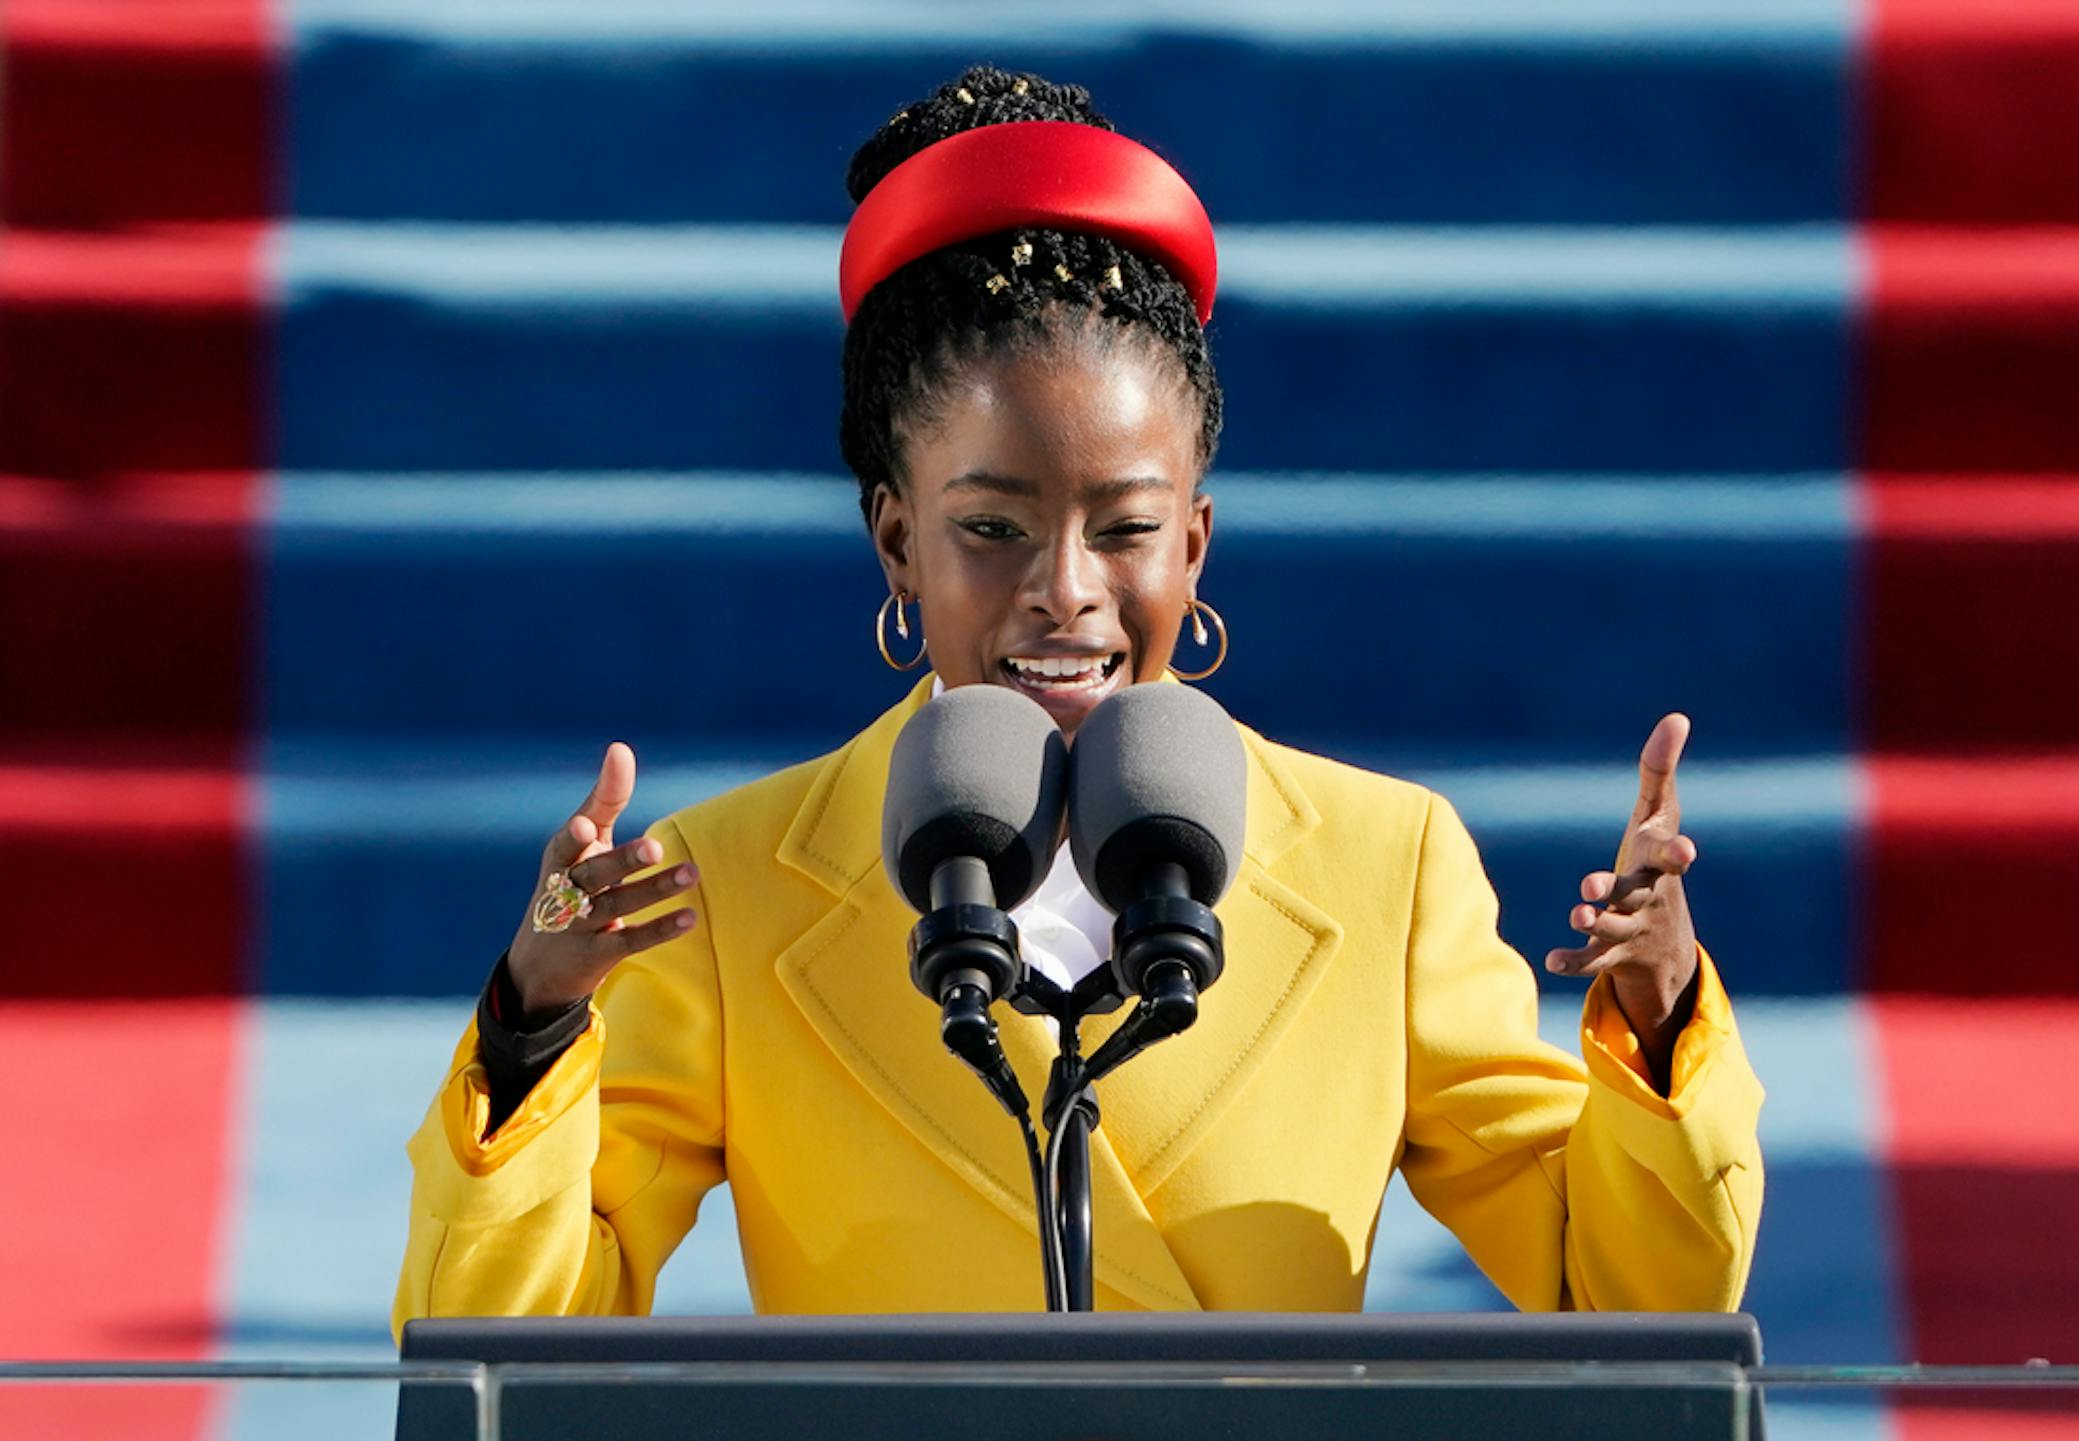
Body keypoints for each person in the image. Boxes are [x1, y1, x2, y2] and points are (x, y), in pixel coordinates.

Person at [392, 65, 1763, 1327]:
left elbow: (1628, 1298)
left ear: (1195, 545)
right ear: (897, 542)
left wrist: (1659, 1015)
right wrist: (534, 1021)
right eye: (992, 528)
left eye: (1123, 526)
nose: (1066, 589)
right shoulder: (728, 888)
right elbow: (508, 1360)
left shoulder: (1383, 866)